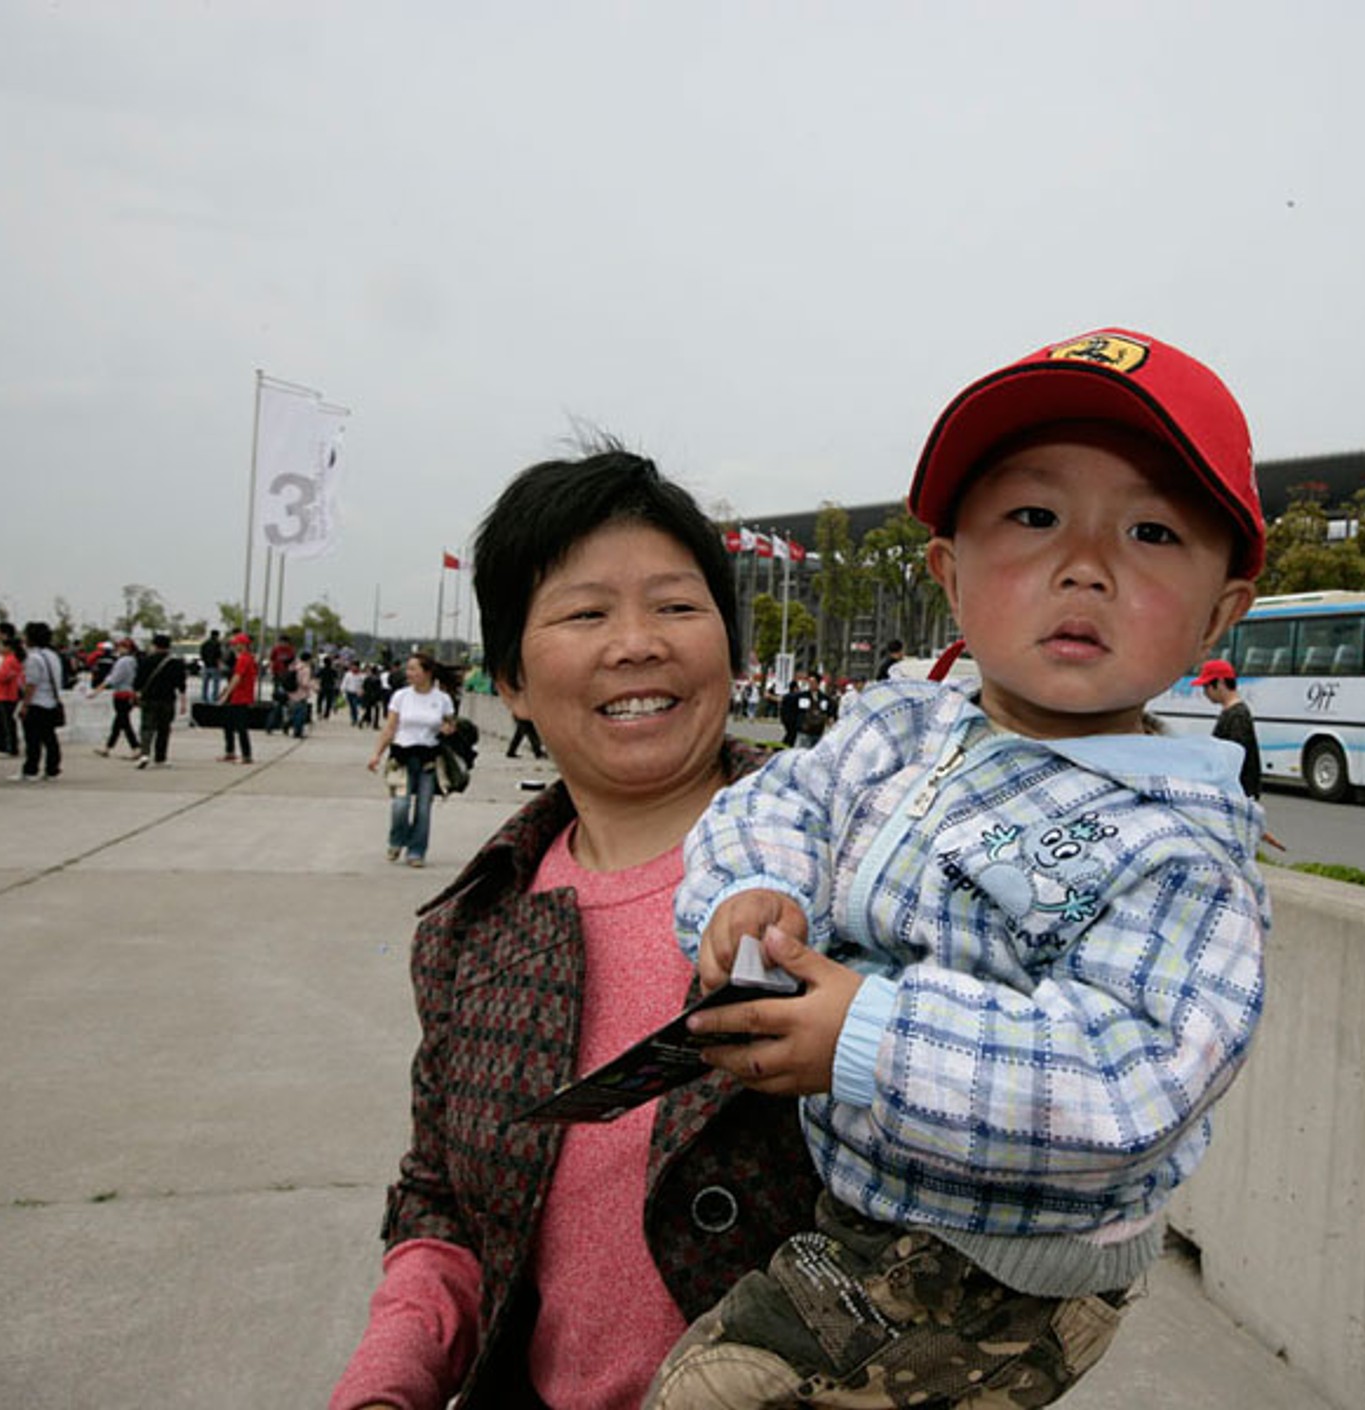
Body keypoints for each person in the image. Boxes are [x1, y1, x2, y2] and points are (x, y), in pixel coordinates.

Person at [652, 326, 1269, 1408]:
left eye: (1151, 531)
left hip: (988, 1269)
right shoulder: (902, 722)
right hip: (855, 1188)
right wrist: (757, 892)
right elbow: (779, 799)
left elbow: (1126, 1082)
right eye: (1032, 518)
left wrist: (871, 1037)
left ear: (1220, 613)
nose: (1084, 563)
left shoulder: (1176, 846)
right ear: (949, 572)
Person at [330, 445, 819, 1410]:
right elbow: (441, 1204)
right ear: (510, 679)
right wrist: (393, 1376)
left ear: (732, 645)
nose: (637, 644)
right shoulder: (474, 930)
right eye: (586, 612)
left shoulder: (862, 870)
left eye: (677, 606)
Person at [365, 651, 459, 867]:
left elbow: (450, 725)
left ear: (427, 673)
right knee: (400, 805)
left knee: (423, 808)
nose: (408, 673)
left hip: (428, 758)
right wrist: (376, 754)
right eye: (408, 669)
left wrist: (448, 729)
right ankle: (396, 840)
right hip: (402, 757)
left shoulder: (442, 699)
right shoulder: (401, 696)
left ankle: (416, 851)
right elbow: (390, 727)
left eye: (413, 669)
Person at [1196, 656, 1261, 799]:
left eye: (1206, 686)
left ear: (1219, 683)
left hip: (1238, 795)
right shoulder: (1232, 712)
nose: (1204, 692)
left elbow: (1235, 760)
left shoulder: (1237, 715)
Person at [18, 620, 68, 782]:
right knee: (49, 738)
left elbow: (31, 684)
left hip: (37, 702)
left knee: (32, 739)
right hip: (51, 701)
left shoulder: (33, 658)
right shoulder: (53, 656)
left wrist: (24, 705)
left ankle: (30, 770)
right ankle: (52, 768)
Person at [133, 633, 188, 769]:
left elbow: (137, 683)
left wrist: (136, 695)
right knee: (164, 729)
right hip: (167, 700)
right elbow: (181, 685)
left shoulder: (145, 661)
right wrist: (183, 703)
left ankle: (144, 754)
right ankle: (160, 758)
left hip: (149, 699)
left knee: (147, 727)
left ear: (154, 645)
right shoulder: (176, 663)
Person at [92, 639, 143, 758]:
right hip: (129, 693)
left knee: (123, 722)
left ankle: (136, 747)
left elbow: (114, 678)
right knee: (119, 723)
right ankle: (108, 747)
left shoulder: (123, 661)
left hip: (121, 694)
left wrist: (98, 689)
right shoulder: (133, 660)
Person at [217, 632, 258, 764]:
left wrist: (226, 694)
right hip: (237, 696)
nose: (235, 647)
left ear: (243, 645)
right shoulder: (247, 658)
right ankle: (230, 751)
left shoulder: (244, 659)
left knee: (241, 727)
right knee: (228, 724)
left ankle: (246, 755)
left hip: (241, 697)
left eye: (237, 644)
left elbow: (237, 677)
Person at [0, 622, 25, 757]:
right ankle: (2, 745)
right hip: (7, 694)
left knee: (6, 722)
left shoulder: (9, 660)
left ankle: (9, 747)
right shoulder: (13, 659)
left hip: (4, 694)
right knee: (5, 721)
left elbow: (2, 676)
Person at [198, 629, 225, 704]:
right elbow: (219, 655)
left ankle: (204, 697)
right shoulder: (217, 644)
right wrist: (220, 664)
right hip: (214, 666)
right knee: (215, 683)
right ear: (217, 635)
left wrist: (204, 661)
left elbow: (201, 654)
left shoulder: (204, 644)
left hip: (206, 665)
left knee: (205, 683)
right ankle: (214, 697)